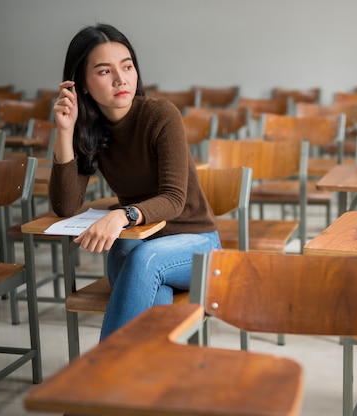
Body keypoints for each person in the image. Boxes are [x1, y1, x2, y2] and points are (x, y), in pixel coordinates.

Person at [50, 23, 221, 340]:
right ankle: (147, 382)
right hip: (141, 242)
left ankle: (105, 376)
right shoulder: (90, 129)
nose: (121, 79)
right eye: (104, 71)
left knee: (144, 259)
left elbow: (173, 199)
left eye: (127, 66)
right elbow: (66, 207)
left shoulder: (160, 115)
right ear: (82, 85)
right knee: (139, 270)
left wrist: (123, 214)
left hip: (197, 243)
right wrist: (64, 132)